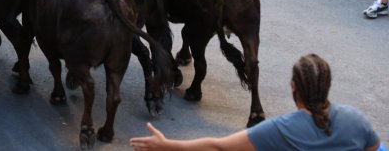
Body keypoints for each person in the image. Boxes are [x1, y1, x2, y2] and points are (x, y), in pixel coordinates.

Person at [129, 54, 381, 151]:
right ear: (328, 85)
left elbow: (218, 146)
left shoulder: (280, 129)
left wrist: (167, 145)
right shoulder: (356, 119)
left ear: (294, 87)